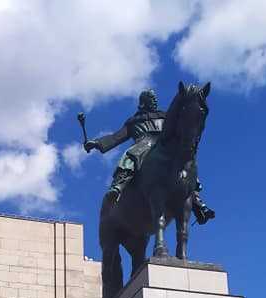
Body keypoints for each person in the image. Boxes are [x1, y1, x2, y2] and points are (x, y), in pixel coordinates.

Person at [84, 88, 215, 223]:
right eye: (151, 99)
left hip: (164, 145)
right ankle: (118, 185)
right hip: (143, 145)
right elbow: (115, 137)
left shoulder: (165, 116)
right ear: (143, 102)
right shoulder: (134, 122)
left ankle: (198, 204)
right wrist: (96, 143)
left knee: (184, 166)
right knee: (130, 156)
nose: (154, 102)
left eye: (155, 100)